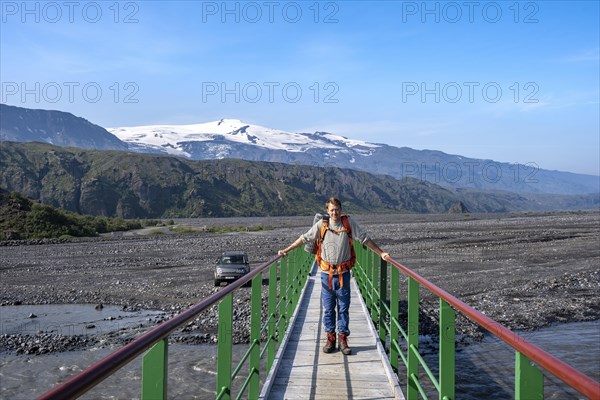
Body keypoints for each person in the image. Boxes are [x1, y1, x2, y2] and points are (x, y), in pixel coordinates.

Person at [278, 197, 390, 355]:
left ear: (341, 210)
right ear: (327, 211)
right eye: (331, 210)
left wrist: (381, 253)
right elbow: (305, 238)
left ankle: (343, 338)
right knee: (329, 308)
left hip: (343, 274)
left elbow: (364, 239)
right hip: (326, 274)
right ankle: (331, 338)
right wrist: (286, 250)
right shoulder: (322, 225)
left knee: (343, 308)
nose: (334, 212)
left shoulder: (348, 223)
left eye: (337, 209)